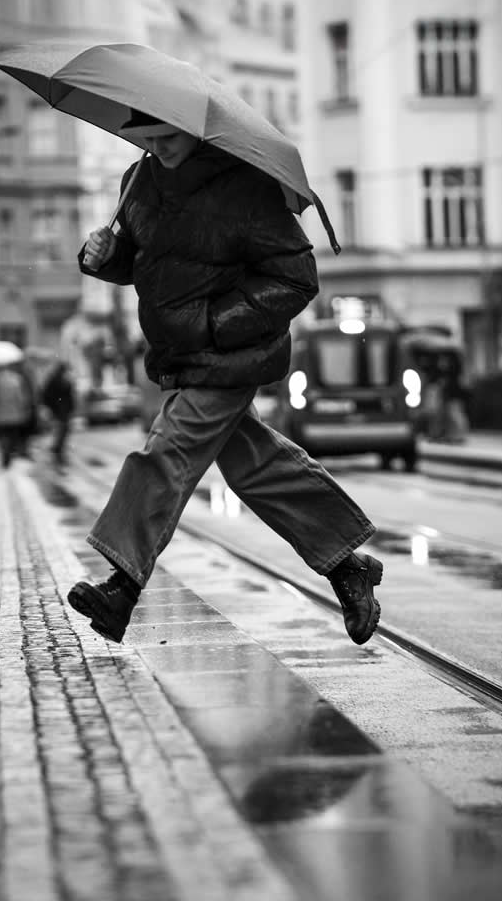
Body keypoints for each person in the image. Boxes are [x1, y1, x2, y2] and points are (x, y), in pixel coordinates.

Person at [67, 110, 383, 647]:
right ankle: (347, 565)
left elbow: (297, 277)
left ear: (196, 130)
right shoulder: (138, 182)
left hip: (231, 354)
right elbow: (144, 260)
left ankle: (121, 588)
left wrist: (217, 323)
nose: (159, 147)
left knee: (165, 454)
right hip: (178, 353)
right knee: (253, 464)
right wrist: (103, 257)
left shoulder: (245, 187)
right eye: (147, 138)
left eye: (169, 136)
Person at [0, 362, 32, 468]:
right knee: (12, 436)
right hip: (15, 415)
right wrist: (25, 409)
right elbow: (22, 399)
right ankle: (9, 453)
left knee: (2, 436)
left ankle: (4, 454)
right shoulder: (17, 379)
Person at [41, 360, 75, 467]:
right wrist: (53, 407)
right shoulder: (56, 380)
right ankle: (58, 452)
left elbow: (69, 396)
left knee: (63, 431)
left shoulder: (64, 380)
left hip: (63, 410)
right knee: (61, 431)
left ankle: (58, 451)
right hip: (59, 411)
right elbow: (47, 396)